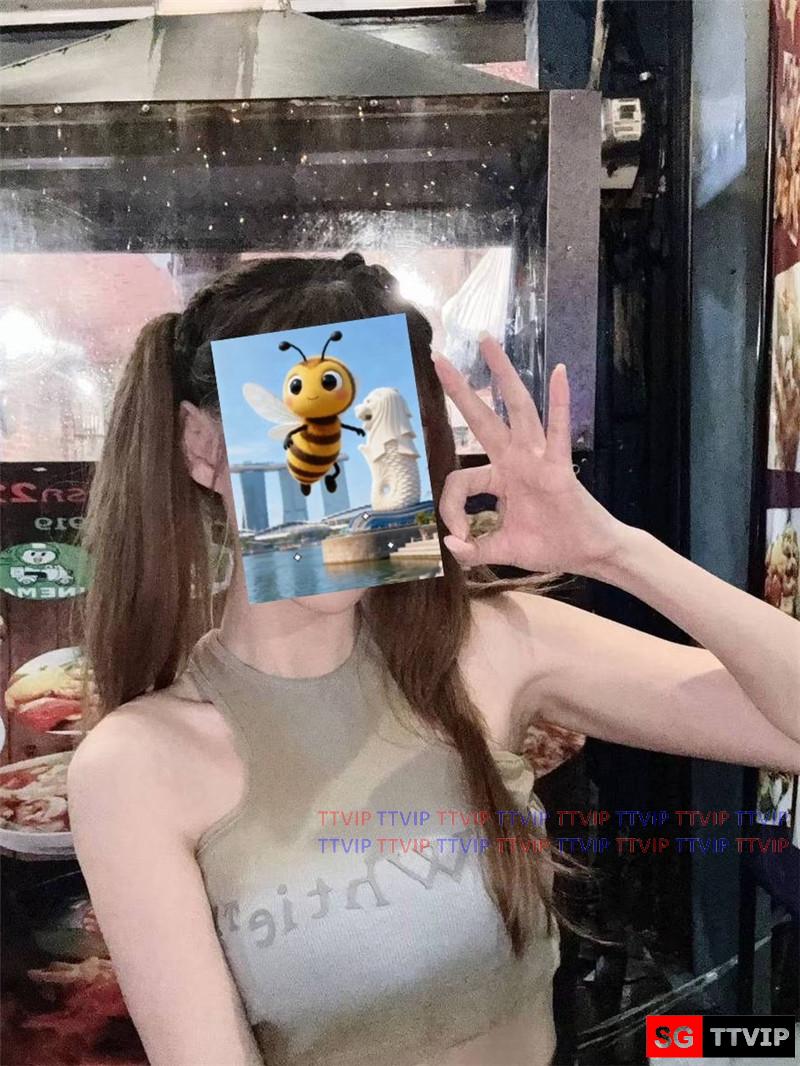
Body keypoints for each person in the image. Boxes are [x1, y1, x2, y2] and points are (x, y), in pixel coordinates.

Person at [67, 253, 800, 1066]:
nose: (348, 486)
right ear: (202, 447)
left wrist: (614, 551)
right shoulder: (138, 763)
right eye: (297, 431)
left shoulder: (491, 647)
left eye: (387, 429)